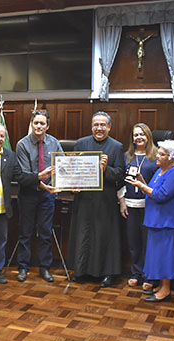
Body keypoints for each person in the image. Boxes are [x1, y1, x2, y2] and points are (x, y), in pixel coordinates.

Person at [0, 122, 51, 285]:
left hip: (3, 208)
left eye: (2, 135)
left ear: (5, 138)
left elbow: (20, 176)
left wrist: (39, 176)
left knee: (0, 242)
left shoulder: (10, 155)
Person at [68, 111, 124, 286]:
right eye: (96, 125)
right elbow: (73, 171)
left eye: (103, 125)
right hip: (84, 198)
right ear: (91, 126)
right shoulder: (81, 143)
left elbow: (120, 175)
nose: (99, 128)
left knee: (104, 235)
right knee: (83, 234)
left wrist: (106, 169)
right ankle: (80, 270)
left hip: (105, 200)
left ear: (109, 127)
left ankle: (106, 273)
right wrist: (73, 185)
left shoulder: (116, 147)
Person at [127, 140, 174, 302]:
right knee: (158, 256)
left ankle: (166, 290)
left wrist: (141, 186)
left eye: (161, 154)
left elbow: (161, 195)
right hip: (156, 220)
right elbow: (152, 192)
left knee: (165, 256)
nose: (157, 157)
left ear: (172, 157)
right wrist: (142, 181)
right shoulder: (160, 170)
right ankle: (161, 286)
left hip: (167, 222)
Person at [15, 109, 63, 283]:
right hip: (28, 194)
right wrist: (44, 184)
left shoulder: (54, 143)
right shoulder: (22, 144)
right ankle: (22, 267)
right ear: (31, 124)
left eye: (42, 123)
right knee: (25, 232)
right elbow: (26, 175)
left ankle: (45, 268)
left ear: (47, 126)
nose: (39, 126)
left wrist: (59, 186)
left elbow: (62, 166)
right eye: (36, 123)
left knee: (45, 232)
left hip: (47, 196)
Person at [119, 123, 158, 288]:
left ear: (148, 136)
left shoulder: (156, 157)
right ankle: (136, 273)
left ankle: (149, 276)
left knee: (148, 242)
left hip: (149, 206)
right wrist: (122, 202)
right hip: (130, 205)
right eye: (136, 135)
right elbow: (119, 182)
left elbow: (159, 182)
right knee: (134, 242)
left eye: (142, 134)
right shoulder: (125, 157)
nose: (139, 138)